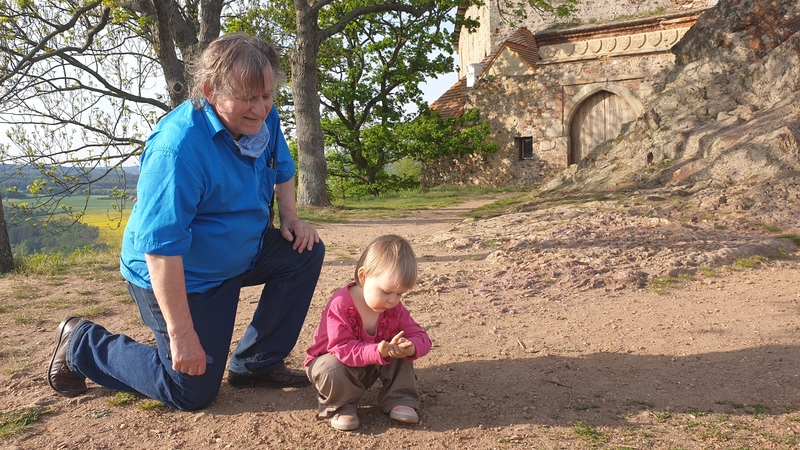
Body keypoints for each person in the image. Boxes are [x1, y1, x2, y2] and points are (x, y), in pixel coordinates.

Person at [46, 33, 325, 411]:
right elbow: (161, 249)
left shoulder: (262, 117)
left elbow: (282, 168)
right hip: (184, 273)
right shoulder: (177, 148)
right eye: (247, 97)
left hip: (240, 254)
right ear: (210, 90)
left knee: (304, 251)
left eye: (266, 95)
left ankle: (256, 364)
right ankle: (82, 343)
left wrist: (291, 216)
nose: (260, 108)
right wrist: (182, 335)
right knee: (191, 390)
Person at [305, 234, 432, 431]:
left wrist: (411, 347)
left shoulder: (394, 308)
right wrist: (376, 351)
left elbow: (421, 337)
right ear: (363, 277)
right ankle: (341, 405)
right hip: (335, 364)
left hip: (371, 362)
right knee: (331, 367)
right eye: (386, 291)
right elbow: (341, 347)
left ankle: (401, 398)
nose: (392, 300)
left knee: (401, 348)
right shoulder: (341, 304)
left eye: (400, 294)